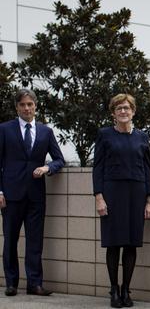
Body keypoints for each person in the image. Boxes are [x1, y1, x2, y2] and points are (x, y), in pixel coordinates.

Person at [0, 88, 65, 297]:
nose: (26, 108)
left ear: (36, 106)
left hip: (36, 194)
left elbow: (59, 159)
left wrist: (48, 168)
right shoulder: (4, 129)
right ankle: (11, 283)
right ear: (17, 107)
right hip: (10, 195)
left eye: (30, 104)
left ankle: (34, 284)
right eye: (22, 105)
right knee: (10, 239)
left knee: (35, 241)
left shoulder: (46, 131)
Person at [92, 94, 150, 308]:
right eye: (119, 108)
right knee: (113, 243)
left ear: (133, 111)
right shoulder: (104, 135)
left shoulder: (142, 137)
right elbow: (97, 167)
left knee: (131, 244)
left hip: (136, 193)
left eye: (127, 108)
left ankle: (127, 289)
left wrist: (149, 200)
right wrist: (99, 197)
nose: (123, 111)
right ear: (113, 113)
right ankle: (114, 290)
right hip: (112, 193)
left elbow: (147, 169)